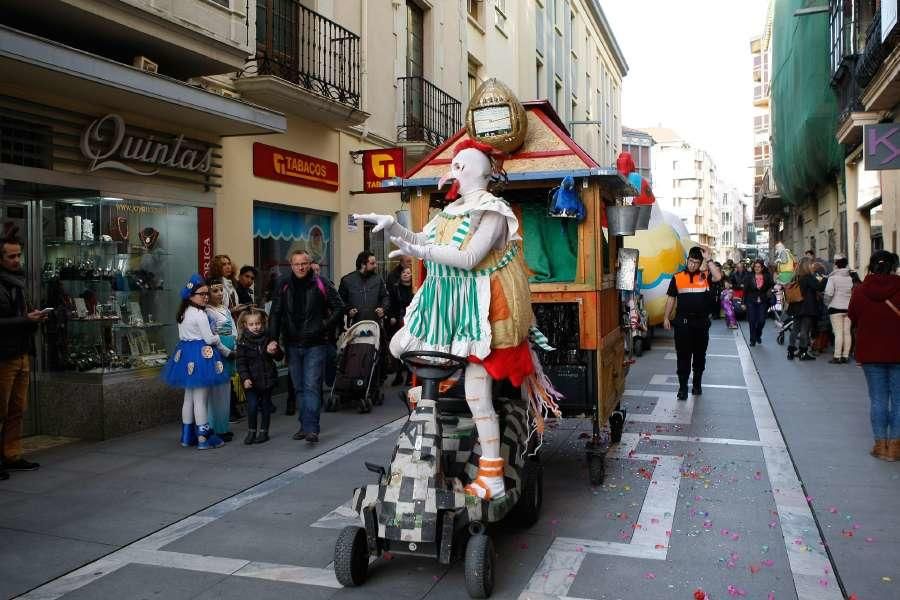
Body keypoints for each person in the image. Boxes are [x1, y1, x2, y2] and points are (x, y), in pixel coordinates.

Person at [354, 138, 563, 500]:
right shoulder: (450, 211)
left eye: (459, 165)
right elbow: (421, 238)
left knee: (477, 393)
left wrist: (417, 250)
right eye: (454, 164)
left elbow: (468, 258)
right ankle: (431, 443)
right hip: (445, 305)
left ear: (474, 171)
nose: (453, 170)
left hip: (483, 309)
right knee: (399, 344)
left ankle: (493, 474)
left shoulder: (493, 211)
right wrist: (393, 227)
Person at [268, 250, 345, 444]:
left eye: (304, 263)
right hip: (292, 343)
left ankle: (312, 428)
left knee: (311, 386)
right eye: (296, 264)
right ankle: (304, 425)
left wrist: (324, 326)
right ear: (291, 265)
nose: (301, 267)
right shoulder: (283, 284)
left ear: (310, 264)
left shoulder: (321, 283)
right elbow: (275, 313)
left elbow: (339, 307)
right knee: (299, 387)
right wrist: (272, 338)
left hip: (315, 344)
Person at [161, 274, 232, 450]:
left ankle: (187, 435)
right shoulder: (200, 314)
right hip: (202, 356)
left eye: (206, 293)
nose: (205, 297)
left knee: (189, 398)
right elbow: (208, 338)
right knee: (201, 398)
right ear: (191, 295)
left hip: (185, 355)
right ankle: (203, 437)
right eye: (202, 294)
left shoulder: (183, 313)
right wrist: (217, 338)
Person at [0, 237, 46, 479]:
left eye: (19, 255)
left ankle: (11, 454)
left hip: (21, 352)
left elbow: (22, 315)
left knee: (17, 409)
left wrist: (34, 318)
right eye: (11, 256)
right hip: (3, 356)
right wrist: (25, 321)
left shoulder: (18, 282)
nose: (17, 260)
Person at [848, 250, 900, 461]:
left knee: (878, 399)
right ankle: (895, 447)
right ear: (894, 267)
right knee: (898, 400)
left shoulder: (860, 290)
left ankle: (880, 445)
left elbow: (852, 315)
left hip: (870, 353)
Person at [663, 246, 724, 400]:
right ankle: (683, 387)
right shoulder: (677, 277)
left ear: (700, 263)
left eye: (696, 263)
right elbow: (671, 298)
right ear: (687, 259)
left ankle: (697, 384)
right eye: (691, 261)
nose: (692, 265)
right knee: (683, 356)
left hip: (701, 323)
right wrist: (666, 317)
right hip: (683, 323)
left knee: (699, 355)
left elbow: (718, 277)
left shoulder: (705, 276)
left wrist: (708, 259)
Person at [235, 308, 283, 445]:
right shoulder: (242, 341)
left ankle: (264, 432)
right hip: (251, 380)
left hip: (267, 378)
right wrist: (245, 378)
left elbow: (280, 357)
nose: (256, 327)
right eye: (252, 324)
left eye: (258, 323)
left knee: (265, 405)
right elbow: (241, 363)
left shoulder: (268, 337)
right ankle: (251, 431)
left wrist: (274, 350)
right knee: (253, 405)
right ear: (245, 325)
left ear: (262, 323)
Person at [206, 277, 237, 442]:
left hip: (230, 348)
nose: (219, 293)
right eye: (215, 291)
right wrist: (226, 351)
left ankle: (223, 426)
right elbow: (212, 336)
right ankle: (214, 428)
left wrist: (236, 345)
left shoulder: (225, 308)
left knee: (225, 390)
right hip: (219, 352)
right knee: (216, 392)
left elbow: (233, 328)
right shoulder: (208, 311)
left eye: (220, 290)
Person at [786, 257, 825, 361]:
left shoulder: (796, 277)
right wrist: (825, 278)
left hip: (796, 306)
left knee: (795, 329)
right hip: (807, 307)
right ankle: (803, 352)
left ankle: (790, 351)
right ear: (807, 266)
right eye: (810, 264)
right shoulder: (808, 277)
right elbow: (819, 287)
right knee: (804, 330)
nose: (811, 266)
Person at [339, 252, 390, 326]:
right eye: (372, 263)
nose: (375, 266)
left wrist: (383, 308)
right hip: (354, 325)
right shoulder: (347, 280)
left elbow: (385, 297)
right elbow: (340, 301)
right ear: (363, 265)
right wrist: (348, 310)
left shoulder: (378, 279)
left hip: (374, 324)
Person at [386, 265, 414, 385]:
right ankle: (398, 374)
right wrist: (391, 316)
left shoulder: (416, 287)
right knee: (399, 347)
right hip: (399, 320)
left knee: (410, 347)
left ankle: (409, 375)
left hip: (412, 321)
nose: (406, 274)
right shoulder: (396, 288)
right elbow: (391, 303)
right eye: (404, 272)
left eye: (408, 272)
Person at [824, 254, 854, 364]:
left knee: (838, 333)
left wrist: (827, 303)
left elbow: (829, 293)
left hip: (835, 308)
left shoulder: (832, 278)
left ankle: (837, 356)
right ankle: (846, 356)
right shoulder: (850, 278)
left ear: (836, 265)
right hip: (848, 308)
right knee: (847, 332)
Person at [744, 259, 774, 346]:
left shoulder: (767, 276)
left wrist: (770, 291)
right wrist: (743, 302)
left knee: (762, 320)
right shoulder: (749, 276)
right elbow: (745, 290)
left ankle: (758, 334)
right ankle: (752, 339)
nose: (756, 268)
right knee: (752, 321)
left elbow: (771, 286)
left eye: (758, 267)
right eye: (755, 267)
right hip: (751, 301)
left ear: (762, 268)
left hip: (763, 301)